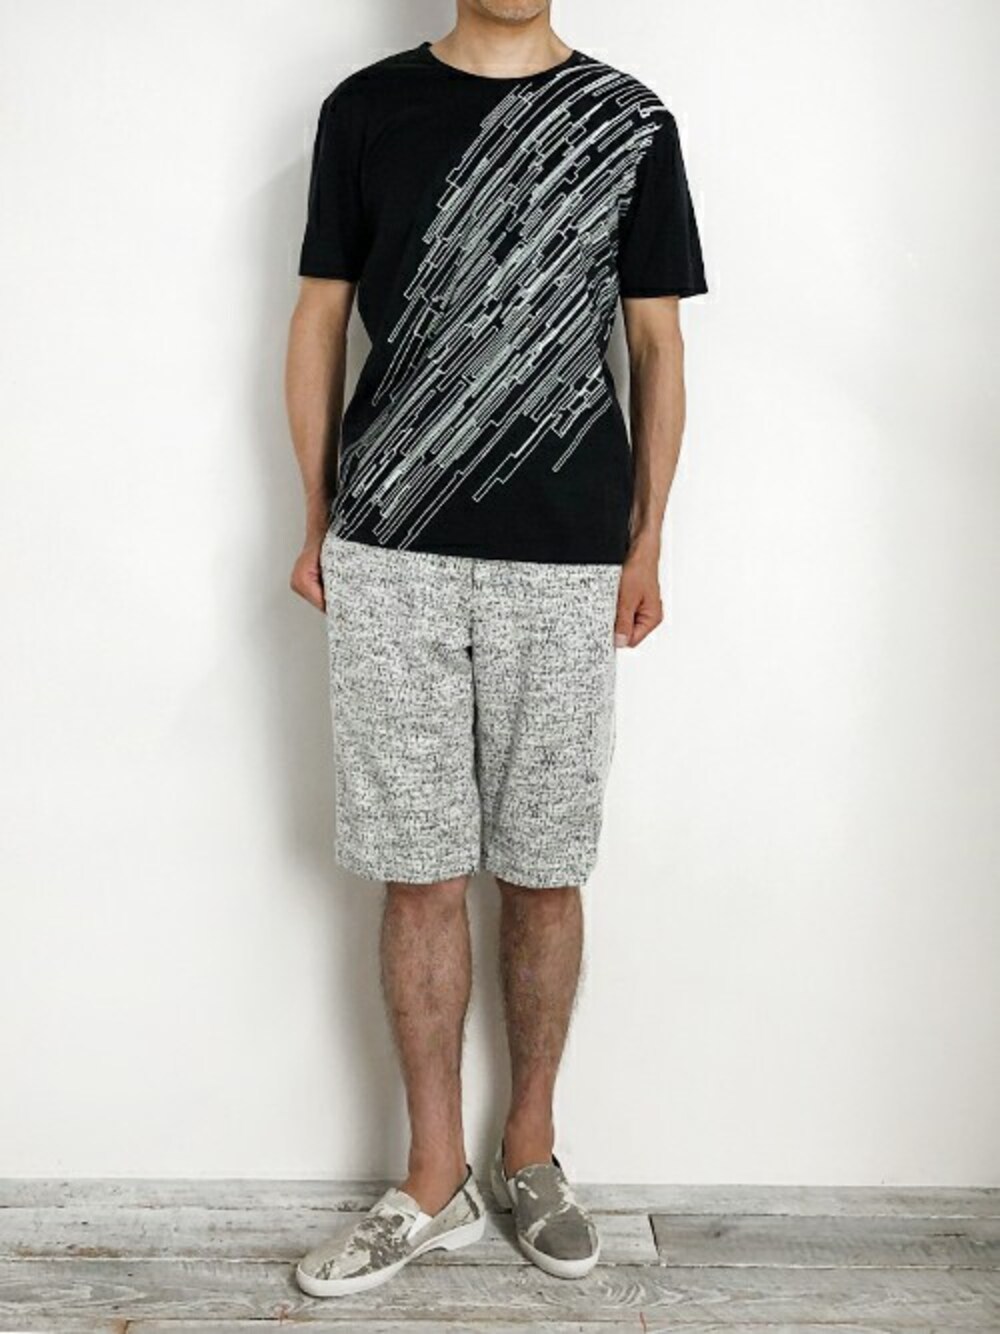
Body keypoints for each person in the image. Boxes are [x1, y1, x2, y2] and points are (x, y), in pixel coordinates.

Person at [284, 0, 706, 1298]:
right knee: (416, 870)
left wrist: (646, 539)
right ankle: (433, 1179)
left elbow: (655, 341)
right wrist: (317, 516)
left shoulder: (630, 121)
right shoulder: (367, 111)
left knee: (543, 866)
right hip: (392, 548)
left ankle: (530, 1153)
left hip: (567, 556)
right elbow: (319, 317)